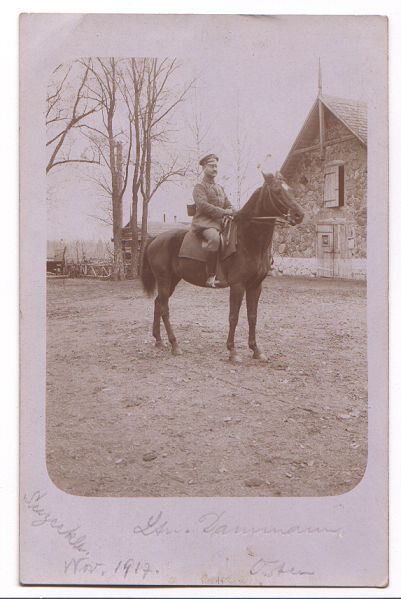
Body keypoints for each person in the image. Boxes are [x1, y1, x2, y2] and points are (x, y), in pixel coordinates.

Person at [191, 153, 234, 287]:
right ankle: (211, 275)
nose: (215, 169)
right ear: (204, 167)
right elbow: (203, 206)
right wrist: (224, 212)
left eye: (216, 166)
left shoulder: (220, 188)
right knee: (215, 239)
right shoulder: (199, 187)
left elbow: (228, 204)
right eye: (211, 166)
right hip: (204, 223)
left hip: (220, 223)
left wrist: (234, 211)